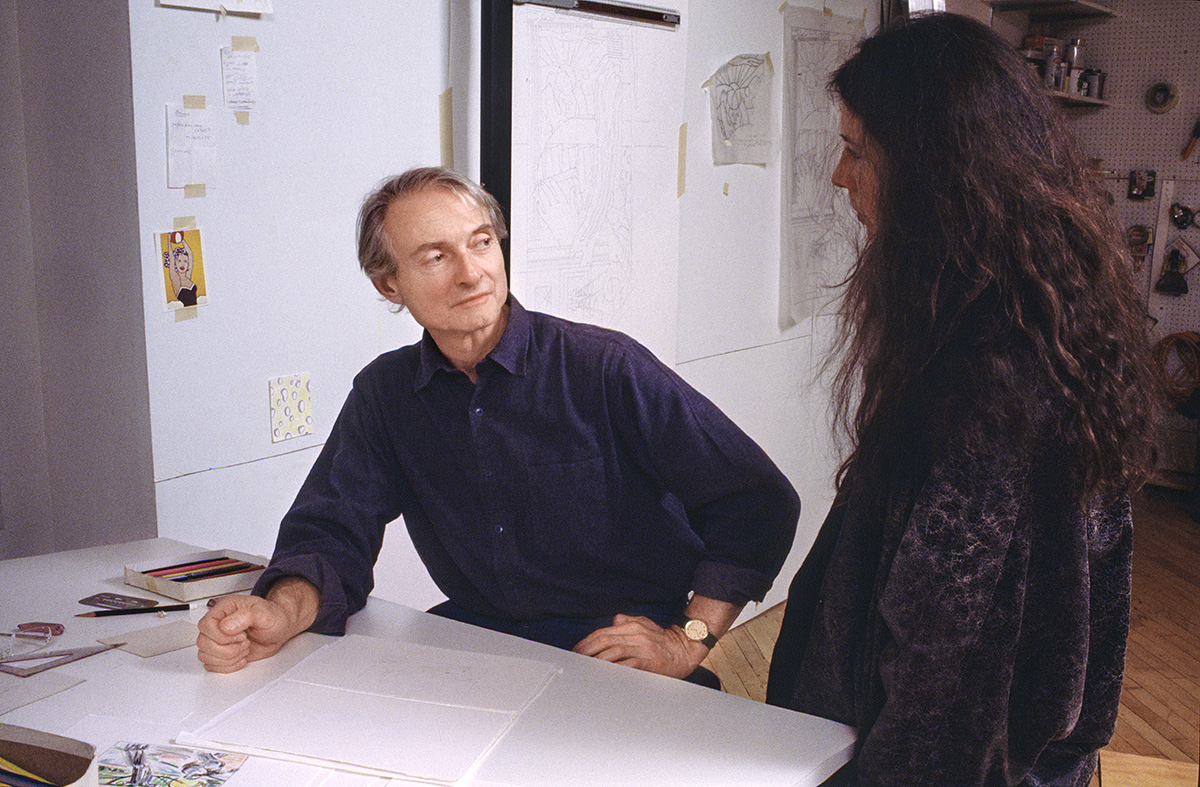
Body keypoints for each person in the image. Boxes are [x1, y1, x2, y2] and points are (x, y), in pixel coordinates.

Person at [197, 166, 800, 685]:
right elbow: (330, 530)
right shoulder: (385, 393)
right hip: (481, 641)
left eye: (481, 243)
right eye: (436, 257)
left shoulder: (604, 368)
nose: (471, 273)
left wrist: (688, 638)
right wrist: (280, 611)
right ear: (389, 284)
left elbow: (756, 503)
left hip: (616, 652)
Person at [765, 13, 1161, 787]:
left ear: (935, 171)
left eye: (855, 151)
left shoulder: (993, 375)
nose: (839, 177)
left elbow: (948, 675)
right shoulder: (1041, 319)